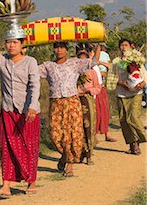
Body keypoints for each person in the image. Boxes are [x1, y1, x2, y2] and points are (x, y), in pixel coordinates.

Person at [0, 17, 41, 197]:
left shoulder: (30, 62)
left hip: (27, 112)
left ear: (22, 44)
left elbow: (35, 85)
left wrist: (33, 107)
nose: (11, 46)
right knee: (7, 147)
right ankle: (6, 185)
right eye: (8, 42)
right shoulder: (1, 60)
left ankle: (31, 180)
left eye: (15, 42)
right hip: (8, 111)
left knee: (29, 146)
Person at [38, 41, 100, 177]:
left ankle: (70, 163)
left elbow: (93, 62)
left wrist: (98, 46)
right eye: (56, 47)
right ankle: (64, 156)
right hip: (56, 103)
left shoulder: (75, 63)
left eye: (62, 47)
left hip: (72, 101)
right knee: (56, 135)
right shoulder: (48, 66)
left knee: (73, 133)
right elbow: (31, 72)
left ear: (67, 50)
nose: (59, 50)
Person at [106, 39, 146, 155]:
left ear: (130, 47)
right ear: (119, 48)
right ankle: (133, 145)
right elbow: (111, 78)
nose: (124, 47)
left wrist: (142, 84)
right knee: (124, 120)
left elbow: (143, 75)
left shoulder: (137, 58)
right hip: (121, 93)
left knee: (133, 117)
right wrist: (122, 83)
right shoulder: (116, 62)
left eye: (126, 45)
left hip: (136, 93)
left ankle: (140, 137)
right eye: (122, 45)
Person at [76, 47, 101, 165]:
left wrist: (88, 90)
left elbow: (98, 88)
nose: (82, 61)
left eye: (84, 58)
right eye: (79, 58)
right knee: (77, 127)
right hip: (76, 100)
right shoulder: (74, 72)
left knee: (89, 126)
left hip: (88, 99)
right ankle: (79, 153)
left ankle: (89, 153)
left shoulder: (92, 72)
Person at [95, 44, 117, 142]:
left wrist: (100, 62)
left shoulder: (104, 55)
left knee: (104, 110)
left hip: (102, 85)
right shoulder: (89, 54)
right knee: (95, 111)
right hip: (94, 86)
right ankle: (94, 135)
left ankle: (106, 133)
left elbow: (109, 66)